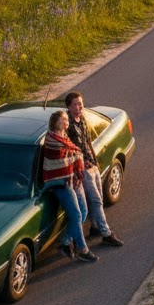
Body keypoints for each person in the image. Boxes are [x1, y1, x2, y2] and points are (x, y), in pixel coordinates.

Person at [65, 91, 124, 246]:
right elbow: (68, 150)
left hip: (91, 163)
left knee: (98, 198)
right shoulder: (67, 124)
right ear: (69, 107)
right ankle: (106, 233)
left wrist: (94, 159)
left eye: (80, 103)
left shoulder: (82, 118)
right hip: (81, 167)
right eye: (76, 104)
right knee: (96, 199)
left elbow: (87, 140)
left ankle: (95, 227)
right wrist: (82, 164)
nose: (79, 107)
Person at [41, 109, 98, 263]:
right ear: (55, 122)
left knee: (83, 211)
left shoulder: (64, 137)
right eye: (62, 120)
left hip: (73, 179)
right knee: (77, 215)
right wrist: (76, 159)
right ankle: (82, 249)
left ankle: (65, 242)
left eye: (66, 120)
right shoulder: (51, 140)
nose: (66, 122)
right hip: (61, 183)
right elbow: (64, 158)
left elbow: (74, 153)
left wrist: (78, 166)